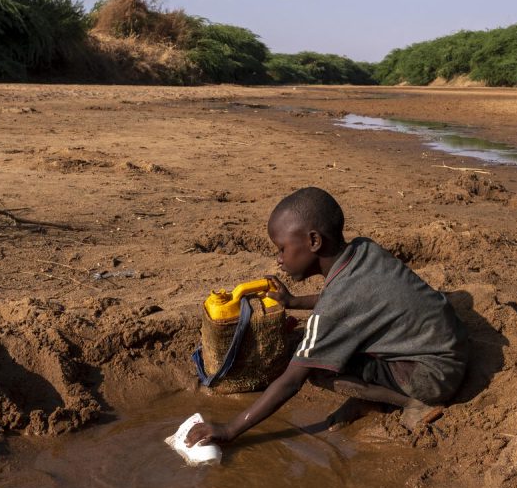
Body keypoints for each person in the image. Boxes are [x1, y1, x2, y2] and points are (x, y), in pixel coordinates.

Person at [186, 186, 467, 447]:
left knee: (317, 368)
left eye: (282, 248)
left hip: (434, 377)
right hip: (448, 349)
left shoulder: (337, 303)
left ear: (314, 241)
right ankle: (370, 398)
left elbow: (292, 381)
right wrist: (294, 302)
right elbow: (353, 301)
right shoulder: (362, 250)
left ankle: (411, 402)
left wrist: (229, 429)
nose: (279, 259)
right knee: (333, 347)